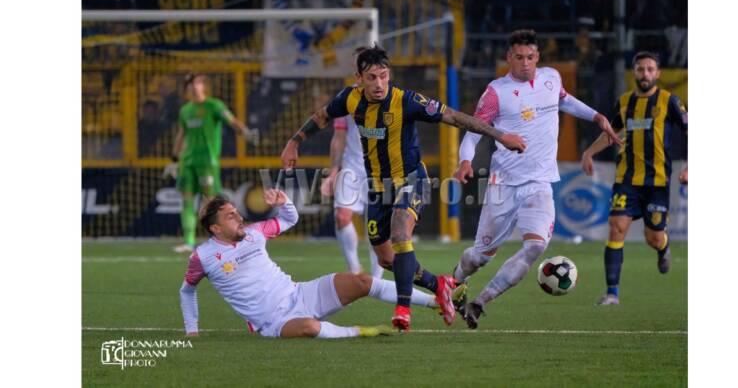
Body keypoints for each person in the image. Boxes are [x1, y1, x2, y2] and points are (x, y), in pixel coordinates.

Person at [280, 44, 525, 331]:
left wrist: (500, 135)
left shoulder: (407, 101)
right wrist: (294, 141)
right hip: (377, 187)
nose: (379, 84)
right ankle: (440, 284)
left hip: (411, 179)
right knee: (386, 259)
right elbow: (322, 116)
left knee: (400, 232)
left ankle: (403, 308)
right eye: (371, 77)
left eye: (383, 76)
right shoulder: (349, 99)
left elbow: (455, 117)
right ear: (359, 79)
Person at [452, 29, 621, 329]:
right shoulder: (496, 92)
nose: (525, 63)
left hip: (540, 184)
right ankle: (454, 281)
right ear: (509, 58)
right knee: (479, 257)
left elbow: (565, 101)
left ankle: (480, 302)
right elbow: (473, 131)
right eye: (519, 57)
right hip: (502, 186)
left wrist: (597, 117)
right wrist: (465, 160)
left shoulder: (551, 78)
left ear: (538, 57)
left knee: (535, 247)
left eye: (530, 57)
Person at [179, 190, 439, 339]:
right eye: (230, 216)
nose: (239, 216)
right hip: (273, 321)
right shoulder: (201, 257)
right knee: (309, 327)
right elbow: (187, 290)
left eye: (236, 211)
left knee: (360, 281)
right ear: (215, 228)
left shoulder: (255, 232)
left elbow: (289, 219)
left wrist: (284, 203)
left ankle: (436, 301)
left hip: (300, 293)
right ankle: (361, 332)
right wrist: (192, 330)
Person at [581, 51, 688, 306]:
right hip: (626, 180)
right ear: (634, 72)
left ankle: (663, 248)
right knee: (617, 228)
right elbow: (612, 133)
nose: (645, 74)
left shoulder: (670, 101)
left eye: (650, 69)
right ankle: (612, 293)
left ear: (658, 73)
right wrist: (589, 152)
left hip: (657, 183)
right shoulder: (624, 102)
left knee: (654, 237)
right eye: (640, 69)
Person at [163, 73, 259, 253]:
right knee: (187, 201)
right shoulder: (186, 110)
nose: (194, 86)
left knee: (212, 202)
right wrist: (175, 159)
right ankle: (189, 241)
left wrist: (245, 132)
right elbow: (182, 135)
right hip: (188, 162)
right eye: (190, 84)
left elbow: (232, 121)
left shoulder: (214, 105)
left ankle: (223, 239)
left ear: (203, 85)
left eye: (197, 83)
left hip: (207, 162)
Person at [321, 47, 384, 279]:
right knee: (342, 216)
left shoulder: (388, 96)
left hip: (382, 170)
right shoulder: (345, 98)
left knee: (376, 228)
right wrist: (333, 171)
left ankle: (377, 280)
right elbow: (338, 137)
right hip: (353, 167)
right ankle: (355, 271)